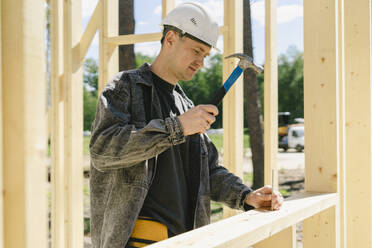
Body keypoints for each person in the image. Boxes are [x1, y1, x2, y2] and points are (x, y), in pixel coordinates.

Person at [89, 2, 283, 248]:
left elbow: (209, 171)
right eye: (196, 51)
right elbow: (102, 150)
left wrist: (246, 196)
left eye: (205, 55)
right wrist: (177, 127)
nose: (200, 62)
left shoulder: (185, 105)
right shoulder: (125, 87)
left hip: (187, 239)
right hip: (138, 240)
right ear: (170, 38)